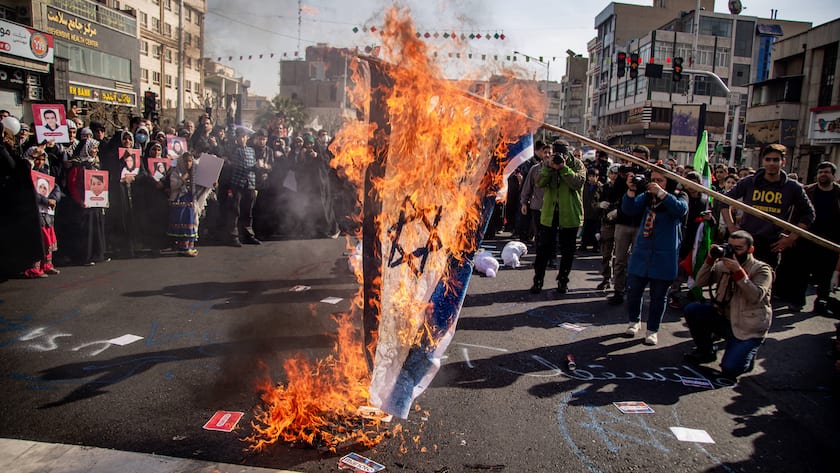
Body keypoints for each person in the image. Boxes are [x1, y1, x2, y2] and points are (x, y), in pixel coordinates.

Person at [683, 230, 774, 380]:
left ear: (750, 250)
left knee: (729, 369)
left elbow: (755, 296)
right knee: (693, 310)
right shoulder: (723, 265)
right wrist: (710, 260)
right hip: (725, 317)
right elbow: (699, 283)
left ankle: (749, 352)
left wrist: (738, 272)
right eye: (729, 246)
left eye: (738, 248)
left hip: (747, 326)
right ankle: (706, 352)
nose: (732, 251)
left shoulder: (761, 269)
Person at [721, 144, 815, 274]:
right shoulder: (749, 182)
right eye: (768, 159)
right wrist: (731, 227)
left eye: (776, 160)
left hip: (772, 245)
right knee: (736, 281)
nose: (771, 163)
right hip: (745, 241)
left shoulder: (793, 187)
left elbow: (808, 214)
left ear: (783, 162)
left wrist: (790, 238)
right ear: (763, 161)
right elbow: (724, 201)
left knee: (763, 285)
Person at [622, 166, 688, 345]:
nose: (655, 183)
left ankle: (652, 330)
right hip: (642, 252)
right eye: (653, 179)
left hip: (664, 256)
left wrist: (662, 193)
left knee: (659, 296)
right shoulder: (647, 196)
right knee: (634, 290)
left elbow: (681, 210)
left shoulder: (678, 195)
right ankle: (633, 322)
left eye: (660, 180)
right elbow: (629, 209)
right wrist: (631, 189)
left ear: (668, 182)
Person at [776, 162, 840, 315]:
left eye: (826, 172)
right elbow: (795, 214)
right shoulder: (807, 191)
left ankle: (821, 303)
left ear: (833, 175)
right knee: (801, 272)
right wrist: (788, 233)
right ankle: (797, 301)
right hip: (805, 237)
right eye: (820, 172)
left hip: (830, 241)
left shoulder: (838, 194)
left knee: (825, 275)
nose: (823, 175)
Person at [529, 140, 585, 295]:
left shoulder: (577, 165)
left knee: (568, 251)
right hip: (549, 214)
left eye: (563, 154)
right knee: (542, 250)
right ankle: (538, 280)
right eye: (557, 153)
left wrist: (563, 168)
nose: (560, 156)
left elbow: (578, 183)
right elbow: (539, 182)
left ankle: (563, 281)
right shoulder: (547, 164)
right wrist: (549, 168)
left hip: (569, 215)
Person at [606, 147, 647, 305]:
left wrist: (641, 182)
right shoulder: (624, 174)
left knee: (637, 260)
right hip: (623, 223)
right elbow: (613, 196)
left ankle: (634, 291)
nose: (637, 163)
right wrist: (623, 179)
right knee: (620, 259)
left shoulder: (649, 176)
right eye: (634, 158)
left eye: (640, 159)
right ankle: (618, 290)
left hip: (641, 224)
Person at [25, 149, 61, 278]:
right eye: (37, 159)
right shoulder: (28, 174)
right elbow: (31, 193)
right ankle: (35, 268)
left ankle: (47, 265)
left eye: (42, 159)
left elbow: (55, 187)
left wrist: (53, 199)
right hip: (35, 212)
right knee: (40, 239)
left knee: (48, 237)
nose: (40, 162)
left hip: (47, 212)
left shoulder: (45, 173)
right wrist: (45, 201)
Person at [228, 127, 260, 246]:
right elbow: (238, 166)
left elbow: (254, 165)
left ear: (247, 138)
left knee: (248, 211)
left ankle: (248, 235)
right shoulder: (234, 150)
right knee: (235, 211)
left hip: (250, 183)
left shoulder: (251, 150)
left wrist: (257, 167)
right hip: (238, 183)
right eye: (240, 137)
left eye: (244, 136)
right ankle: (233, 236)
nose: (242, 139)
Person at [168, 152, 200, 256]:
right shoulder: (176, 172)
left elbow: (200, 187)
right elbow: (173, 186)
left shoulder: (194, 174)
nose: (188, 163)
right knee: (184, 224)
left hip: (191, 202)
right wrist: (183, 178)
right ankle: (184, 248)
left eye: (190, 161)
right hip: (180, 203)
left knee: (192, 222)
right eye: (186, 161)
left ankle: (190, 246)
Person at [580, 167, 602, 252]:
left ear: (597, 177)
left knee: (595, 231)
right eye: (590, 176)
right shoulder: (585, 186)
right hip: (586, 211)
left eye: (594, 176)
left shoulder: (600, 186)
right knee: (585, 230)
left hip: (596, 213)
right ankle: (584, 244)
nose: (592, 178)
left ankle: (596, 246)